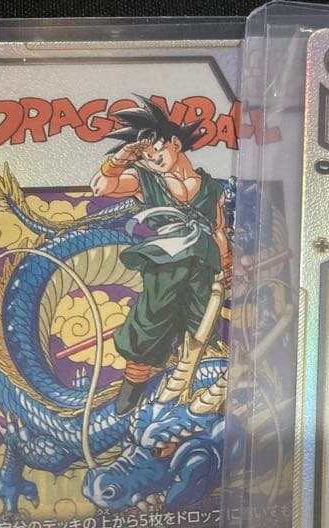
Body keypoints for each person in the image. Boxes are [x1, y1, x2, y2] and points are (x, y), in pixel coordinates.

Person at [89, 95, 232, 415]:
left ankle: (198, 386)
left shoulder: (211, 187)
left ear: (175, 144)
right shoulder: (145, 180)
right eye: (148, 157)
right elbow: (101, 187)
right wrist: (122, 158)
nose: (154, 159)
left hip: (204, 262)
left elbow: (219, 228)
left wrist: (226, 262)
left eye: (158, 151)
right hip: (167, 260)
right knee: (152, 316)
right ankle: (135, 382)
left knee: (201, 322)